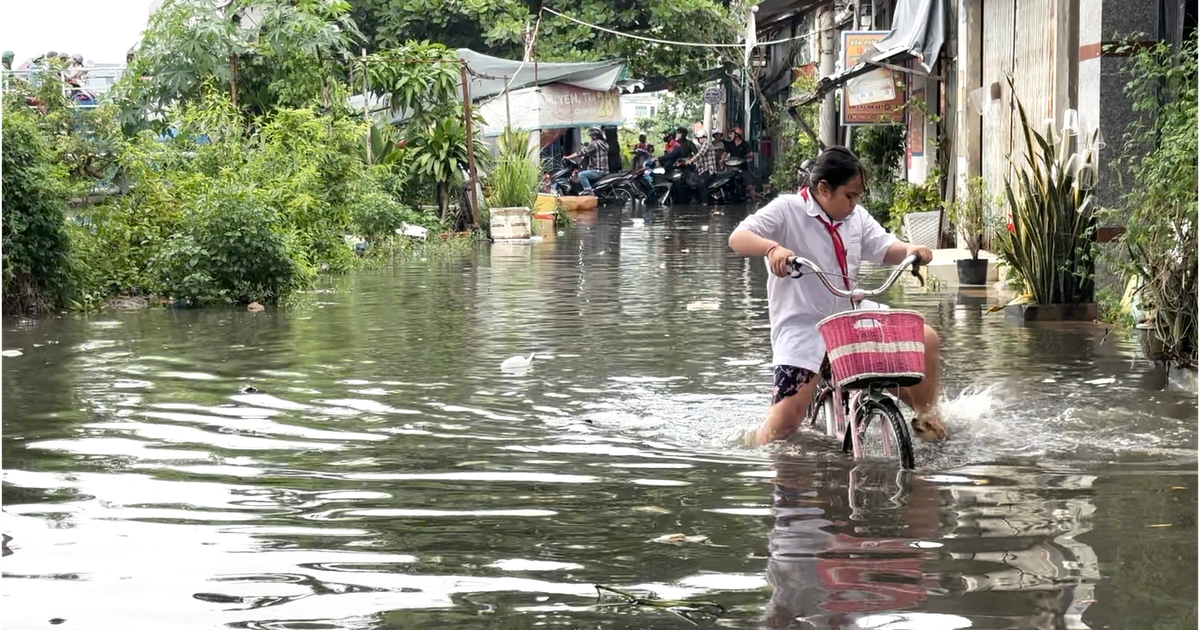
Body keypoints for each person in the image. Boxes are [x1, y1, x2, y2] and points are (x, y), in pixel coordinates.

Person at [727, 146, 946, 446]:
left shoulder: (856, 217)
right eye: (849, 196)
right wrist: (772, 248)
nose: (854, 204)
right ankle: (755, 448)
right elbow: (738, 238)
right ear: (823, 189)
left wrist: (910, 250)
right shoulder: (787, 210)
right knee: (784, 424)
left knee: (925, 336)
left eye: (857, 197)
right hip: (804, 323)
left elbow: (885, 248)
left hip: (849, 312)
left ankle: (926, 418)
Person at [564, 127, 609, 196]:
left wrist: (567, 157)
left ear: (593, 136)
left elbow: (581, 153)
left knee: (581, 174)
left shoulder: (594, 144)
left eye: (591, 136)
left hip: (597, 171)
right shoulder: (604, 144)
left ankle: (589, 192)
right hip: (604, 170)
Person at [681, 129, 719, 204]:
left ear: (703, 137)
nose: (698, 140)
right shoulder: (702, 146)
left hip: (709, 171)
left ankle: (705, 202)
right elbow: (699, 158)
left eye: (699, 138)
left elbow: (700, 154)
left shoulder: (707, 144)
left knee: (701, 183)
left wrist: (691, 160)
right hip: (702, 170)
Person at [723, 127, 756, 201]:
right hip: (731, 169)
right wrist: (722, 160)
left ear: (737, 135)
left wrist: (746, 160)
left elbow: (751, 155)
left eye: (732, 133)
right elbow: (725, 153)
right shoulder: (730, 144)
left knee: (750, 184)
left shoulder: (745, 145)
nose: (730, 135)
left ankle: (754, 201)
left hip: (742, 168)